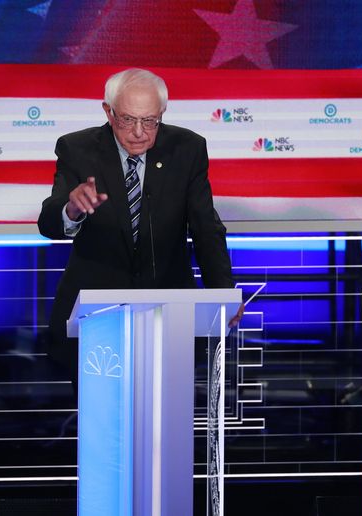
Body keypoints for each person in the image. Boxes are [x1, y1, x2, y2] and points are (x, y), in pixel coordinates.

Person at [38, 68, 241, 380]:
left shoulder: (187, 149)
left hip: (169, 310)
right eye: (127, 119)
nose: (138, 131)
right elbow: (48, 221)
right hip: (97, 315)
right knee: (104, 418)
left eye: (149, 121)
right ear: (108, 111)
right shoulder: (77, 149)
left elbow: (206, 229)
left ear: (161, 114)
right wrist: (72, 209)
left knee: (166, 417)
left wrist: (223, 293)